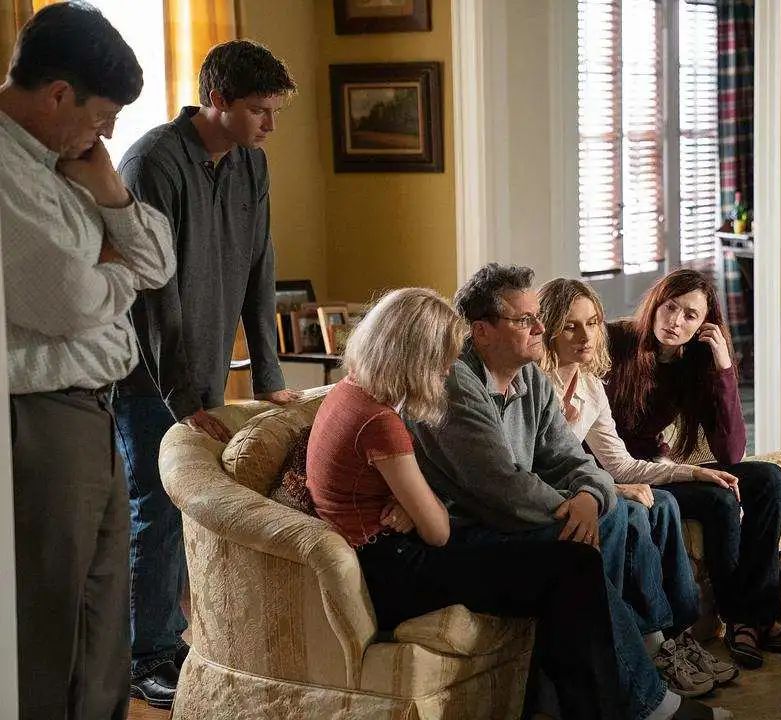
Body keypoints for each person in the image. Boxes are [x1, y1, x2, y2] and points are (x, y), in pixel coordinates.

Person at [408, 264, 729, 719]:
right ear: (481, 331)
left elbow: (574, 460)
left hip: (517, 515)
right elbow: (500, 486)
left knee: (615, 514)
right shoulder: (455, 383)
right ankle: (640, 699)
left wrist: (589, 497)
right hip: (470, 530)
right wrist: (575, 504)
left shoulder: (529, 378)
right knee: (603, 529)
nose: (540, 329)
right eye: (525, 320)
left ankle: (598, 684)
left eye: (538, 318)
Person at [304, 287, 627, 719]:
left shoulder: (348, 393)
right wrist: (419, 506)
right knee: (574, 566)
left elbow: (393, 489)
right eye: (442, 357)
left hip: (386, 553)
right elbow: (438, 531)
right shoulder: (381, 423)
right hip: (395, 570)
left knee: (566, 561)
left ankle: (558, 704)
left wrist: (413, 502)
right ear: (413, 354)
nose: (447, 368)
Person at [0, 4, 175, 718]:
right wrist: (115, 268)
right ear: (57, 95)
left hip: (97, 411)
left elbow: (156, 262)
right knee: (48, 621)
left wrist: (111, 196)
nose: (106, 136)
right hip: (41, 418)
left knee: (106, 617)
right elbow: (68, 303)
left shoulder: (71, 166)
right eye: (102, 117)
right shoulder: (7, 172)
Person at [114, 39, 299, 708]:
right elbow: (153, 294)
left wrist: (269, 373)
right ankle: (145, 657)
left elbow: (259, 267)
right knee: (157, 507)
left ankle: (169, 639)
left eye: (275, 111)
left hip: (204, 369)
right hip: (145, 373)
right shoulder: (152, 164)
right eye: (258, 111)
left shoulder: (251, 162)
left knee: (186, 506)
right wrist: (184, 396)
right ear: (217, 99)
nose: (269, 125)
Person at [537, 277, 738, 685]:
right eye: (571, 326)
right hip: (556, 497)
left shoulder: (590, 385)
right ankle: (654, 645)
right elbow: (532, 469)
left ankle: (678, 637)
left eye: (593, 323)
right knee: (634, 511)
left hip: (591, 482)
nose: (586, 337)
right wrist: (610, 489)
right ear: (549, 329)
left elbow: (622, 464)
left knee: (664, 503)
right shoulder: (534, 384)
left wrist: (692, 471)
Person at [605, 268, 781, 669]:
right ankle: (742, 617)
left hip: (657, 467)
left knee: (770, 479)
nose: (676, 321)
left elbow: (731, 453)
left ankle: (758, 611)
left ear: (705, 324)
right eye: (671, 307)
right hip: (622, 475)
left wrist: (724, 368)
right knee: (719, 499)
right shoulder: (615, 341)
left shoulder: (694, 361)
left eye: (690, 315)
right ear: (656, 303)